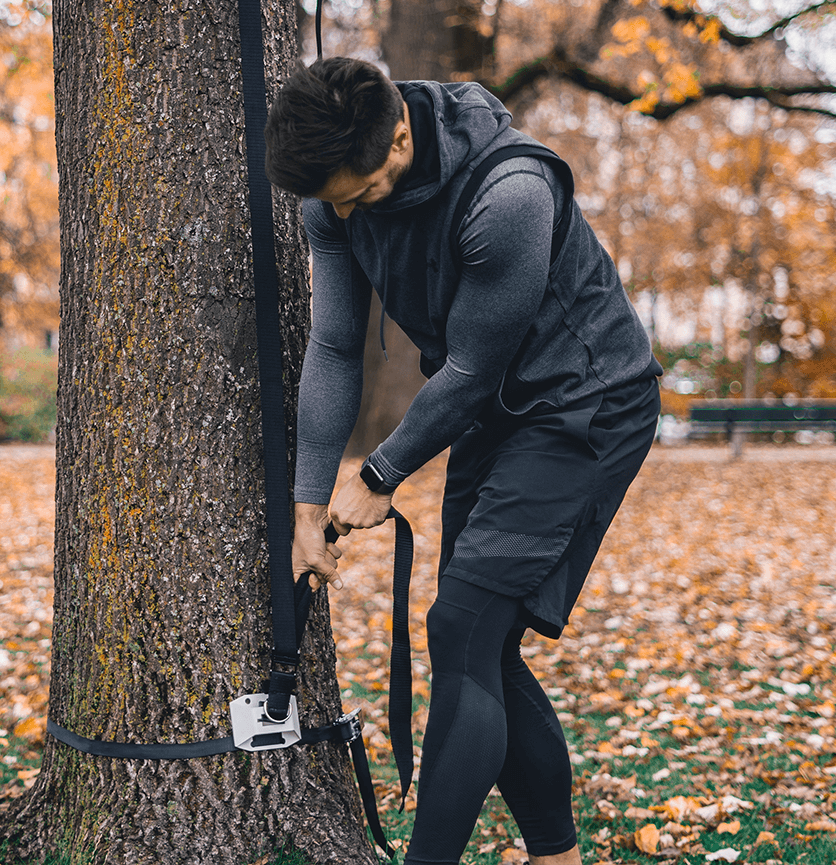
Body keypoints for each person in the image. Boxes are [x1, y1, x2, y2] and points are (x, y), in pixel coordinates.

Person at [264, 57, 662, 865]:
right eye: (331, 201)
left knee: (464, 625)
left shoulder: (507, 194)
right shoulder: (332, 200)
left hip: (585, 405)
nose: (347, 212)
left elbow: (475, 368)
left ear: (402, 136)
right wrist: (308, 504)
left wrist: (380, 475)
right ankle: (558, 856)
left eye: (361, 193)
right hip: (493, 413)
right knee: (478, 639)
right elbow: (337, 345)